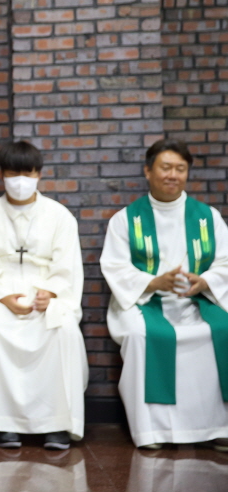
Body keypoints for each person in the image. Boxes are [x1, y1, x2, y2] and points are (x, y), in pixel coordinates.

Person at [99, 138, 228, 450]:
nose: (173, 175)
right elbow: (114, 266)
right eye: (166, 167)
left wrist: (205, 281)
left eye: (180, 169)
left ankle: (218, 426)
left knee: (223, 329)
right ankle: (152, 431)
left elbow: (225, 260)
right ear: (148, 171)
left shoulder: (207, 217)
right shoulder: (126, 219)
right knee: (139, 334)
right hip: (147, 302)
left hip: (197, 301)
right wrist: (154, 283)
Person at [0, 140, 88, 450]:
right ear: (2, 175)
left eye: (27, 173)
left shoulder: (60, 217)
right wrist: (5, 298)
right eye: (13, 173)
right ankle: (2, 423)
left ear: (38, 175)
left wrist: (50, 294)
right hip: (0, 297)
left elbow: (67, 268)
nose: (20, 180)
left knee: (64, 329)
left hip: (46, 299)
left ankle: (57, 424)